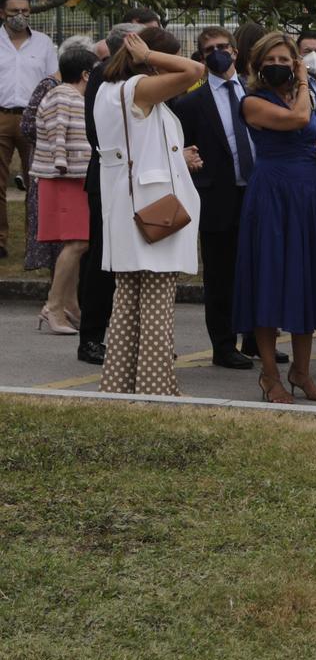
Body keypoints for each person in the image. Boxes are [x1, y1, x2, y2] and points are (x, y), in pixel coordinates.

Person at [236, 31, 316, 404]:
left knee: (306, 283)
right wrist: (304, 79)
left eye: (284, 60)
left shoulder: (300, 95)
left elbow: (315, 129)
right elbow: (299, 117)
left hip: (308, 195)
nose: (277, 66)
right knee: (270, 281)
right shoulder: (252, 101)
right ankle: (270, 375)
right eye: (270, 61)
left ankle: (301, 372)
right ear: (258, 65)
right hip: (273, 195)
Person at [94, 28, 205, 396]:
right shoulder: (138, 88)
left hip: (127, 208)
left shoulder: (107, 92)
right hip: (154, 213)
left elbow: (133, 147)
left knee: (126, 305)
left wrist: (178, 157)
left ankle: (120, 384)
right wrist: (149, 56)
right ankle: (157, 390)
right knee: (157, 306)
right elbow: (193, 71)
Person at [170, 27, 262, 369]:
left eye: (223, 47)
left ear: (236, 51)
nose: (217, 53)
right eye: (209, 50)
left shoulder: (257, 92)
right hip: (217, 197)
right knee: (221, 276)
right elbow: (183, 148)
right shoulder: (191, 103)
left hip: (257, 193)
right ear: (202, 57)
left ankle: (256, 338)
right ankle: (223, 345)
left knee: (258, 268)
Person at [76, 9, 163, 366]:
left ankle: (137, 338)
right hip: (111, 178)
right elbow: (101, 133)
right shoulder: (105, 77)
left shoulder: (140, 77)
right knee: (103, 260)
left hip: (140, 178)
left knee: (139, 262)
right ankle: (92, 337)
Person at [29, 39, 94, 334]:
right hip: (64, 178)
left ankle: (70, 306)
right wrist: (61, 164)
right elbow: (58, 135)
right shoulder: (64, 97)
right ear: (85, 74)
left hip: (72, 178)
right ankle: (54, 306)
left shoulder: (67, 95)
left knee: (79, 243)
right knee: (78, 242)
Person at [1, 0, 59, 260]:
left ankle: (33, 241)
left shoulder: (44, 43)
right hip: (1, 116)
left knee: (35, 183)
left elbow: (53, 79)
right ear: (3, 13)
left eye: (25, 11)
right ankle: (0, 241)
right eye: (14, 12)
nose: (20, 16)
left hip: (34, 117)